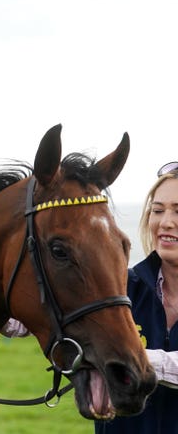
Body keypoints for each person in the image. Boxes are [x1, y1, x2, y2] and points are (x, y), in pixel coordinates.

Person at [95, 161, 178, 433]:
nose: (166, 222)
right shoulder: (118, 287)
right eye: (157, 210)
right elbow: (26, 317)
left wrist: (128, 356)